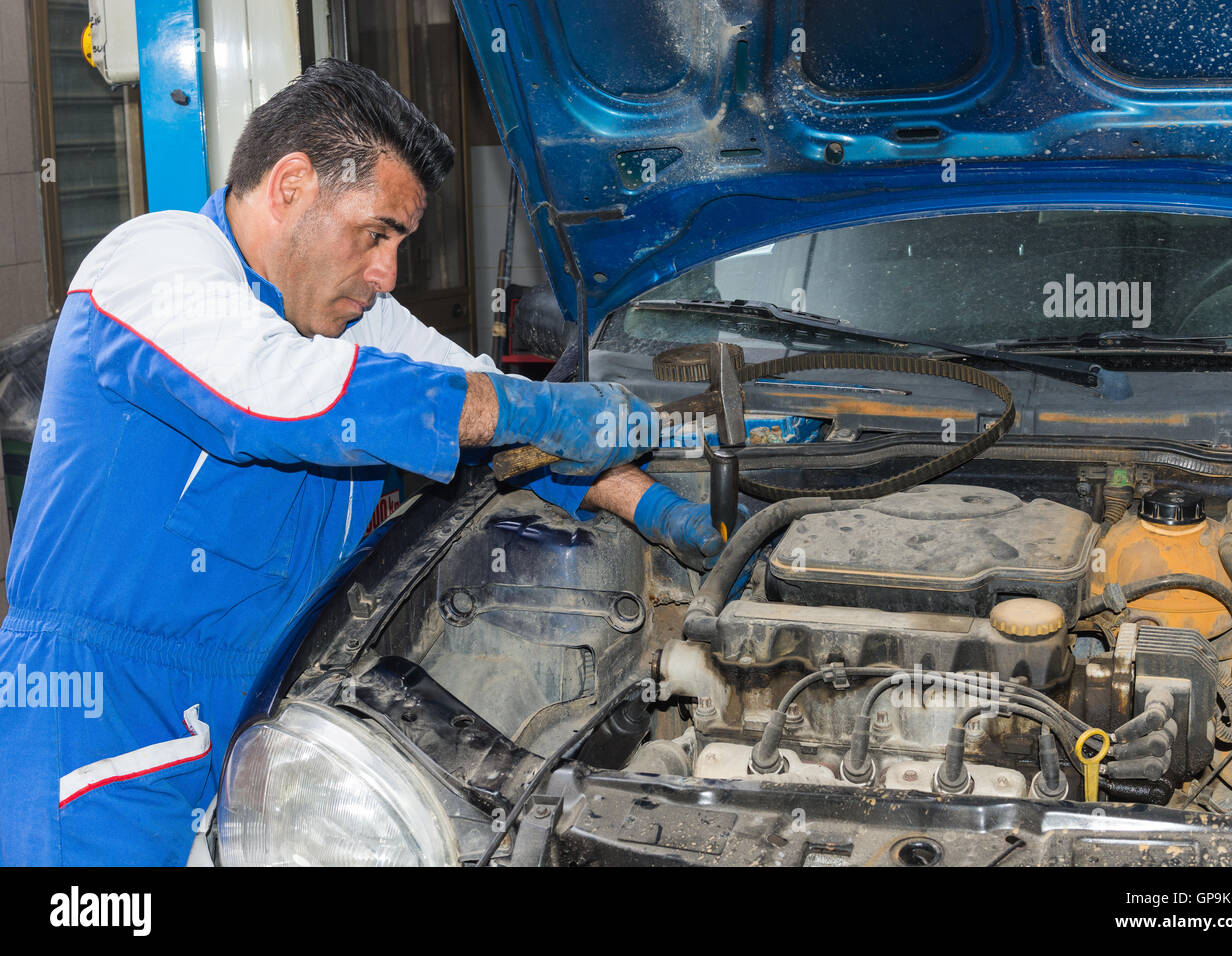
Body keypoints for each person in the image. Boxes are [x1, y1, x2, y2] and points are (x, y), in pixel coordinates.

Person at [0, 58, 724, 865]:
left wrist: (652, 507)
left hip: (257, 729)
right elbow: (283, 398)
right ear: (290, 185)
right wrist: (541, 406)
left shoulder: (354, 323)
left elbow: (477, 409)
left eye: (399, 244)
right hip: (100, 733)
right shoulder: (155, 265)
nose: (386, 274)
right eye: (374, 234)